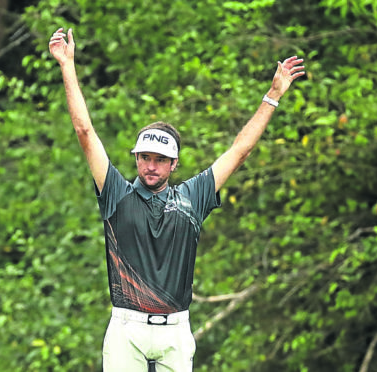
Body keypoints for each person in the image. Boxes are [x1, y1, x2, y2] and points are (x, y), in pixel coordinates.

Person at [49, 27, 305, 372]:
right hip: (127, 330)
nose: (150, 166)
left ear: (174, 164)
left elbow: (239, 151)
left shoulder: (193, 198)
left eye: (159, 160)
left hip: (176, 330)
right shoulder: (116, 193)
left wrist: (272, 95)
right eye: (144, 157)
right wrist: (67, 65)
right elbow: (85, 131)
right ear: (136, 158)